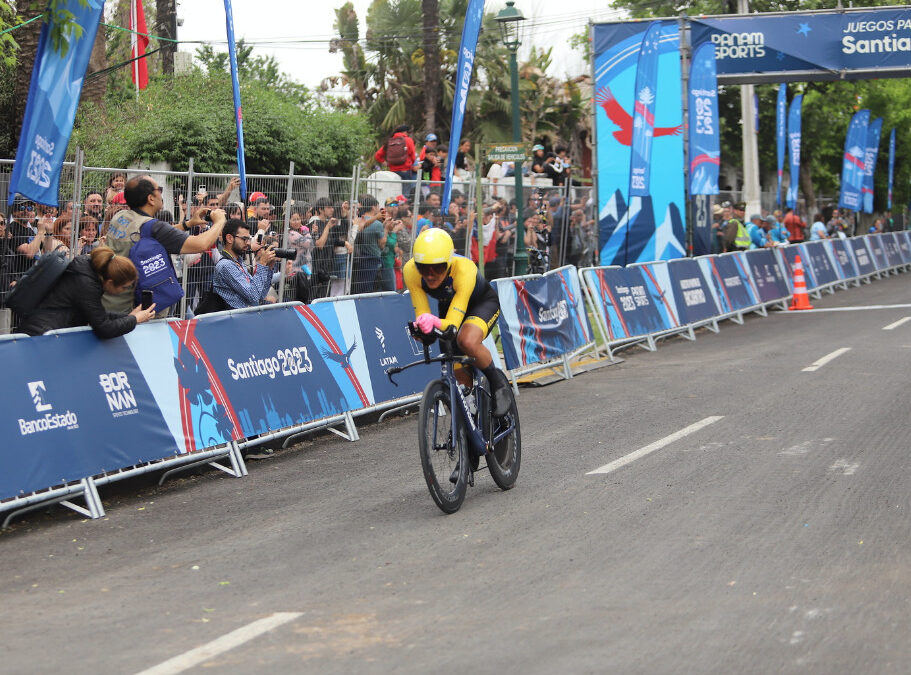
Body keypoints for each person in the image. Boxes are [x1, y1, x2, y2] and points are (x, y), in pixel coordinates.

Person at [403, 228, 511, 416]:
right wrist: (424, 331)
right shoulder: (410, 271)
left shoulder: (464, 269)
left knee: (466, 340)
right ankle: (472, 414)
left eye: (437, 268)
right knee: (455, 365)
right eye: (423, 267)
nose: (429, 275)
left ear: (450, 261)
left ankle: (498, 384)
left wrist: (434, 322)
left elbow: (452, 323)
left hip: (481, 303)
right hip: (449, 306)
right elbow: (423, 312)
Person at [103, 175, 225, 314]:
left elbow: (159, 234)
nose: (161, 194)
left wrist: (188, 224)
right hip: (138, 310)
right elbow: (201, 244)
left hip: (111, 300)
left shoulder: (122, 217)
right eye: (159, 190)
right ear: (150, 198)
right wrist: (219, 221)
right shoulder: (153, 227)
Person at [19, 246, 156, 338]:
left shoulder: (87, 274)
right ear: (109, 282)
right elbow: (104, 328)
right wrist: (135, 320)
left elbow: (96, 314)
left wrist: (128, 317)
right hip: (42, 335)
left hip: (49, 332)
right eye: (125, 287)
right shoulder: (86, 284)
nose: (125, 291)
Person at [212, 219, 277, 309]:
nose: (248, 243)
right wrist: (262, 263)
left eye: (249, 239)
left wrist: (269, 267)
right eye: (244, 239)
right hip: (233, 320)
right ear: (229, 238)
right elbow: (253, 296)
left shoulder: (238, 262)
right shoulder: (226, 265)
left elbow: (260, 295)